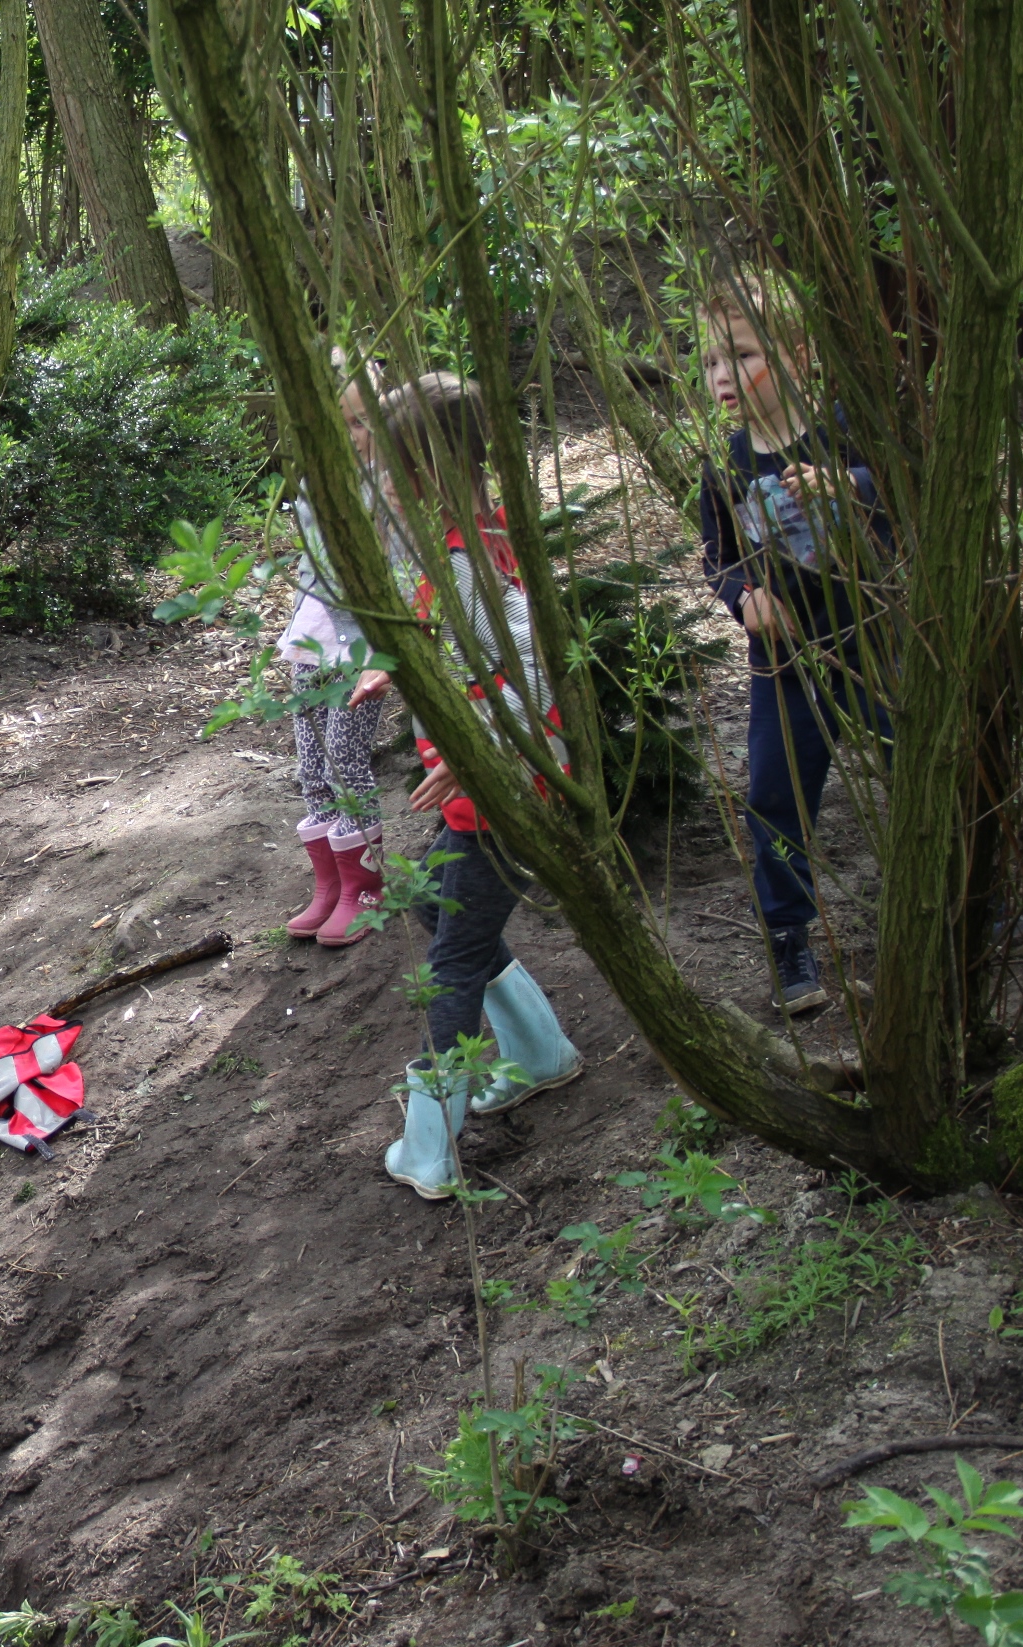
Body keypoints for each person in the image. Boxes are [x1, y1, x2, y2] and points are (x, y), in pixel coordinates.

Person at [354, 374, 583, 1201]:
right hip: (481, 795)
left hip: (504, 796)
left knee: (449, 960)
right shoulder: (457, 544)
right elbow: (453, 649)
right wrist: (393, 671)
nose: (375, 482)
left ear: (425, 474)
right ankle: (539, 1053)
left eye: (385, 467)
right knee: (434, 910)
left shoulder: (462, 561)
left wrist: (475, 746)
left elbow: (529, 667)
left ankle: (429, 1145)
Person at [697, 274, 890, 1014]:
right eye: (710, 360)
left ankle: (961, 898)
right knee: (773, 793)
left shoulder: (843, 432)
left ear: (799, 355)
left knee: (912, 760)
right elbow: (716, 554)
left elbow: (899, 506)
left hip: (870, 644)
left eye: (740, 355)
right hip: (782, 665)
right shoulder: (724, 463)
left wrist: (850, 487)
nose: (721, 375)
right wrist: (743, 597)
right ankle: (788, 938)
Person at [282, 364, 400, 948]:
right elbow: (310, 559)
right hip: (313, 637)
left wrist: (383, 651)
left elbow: (403, 575)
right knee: (310, 766)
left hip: (358, 645)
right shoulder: (320, 480)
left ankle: (367, 886)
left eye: (360, 422)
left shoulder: (395, 489)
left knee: (344, 760)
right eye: (340, 422)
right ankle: (330, 884)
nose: (350, 434)